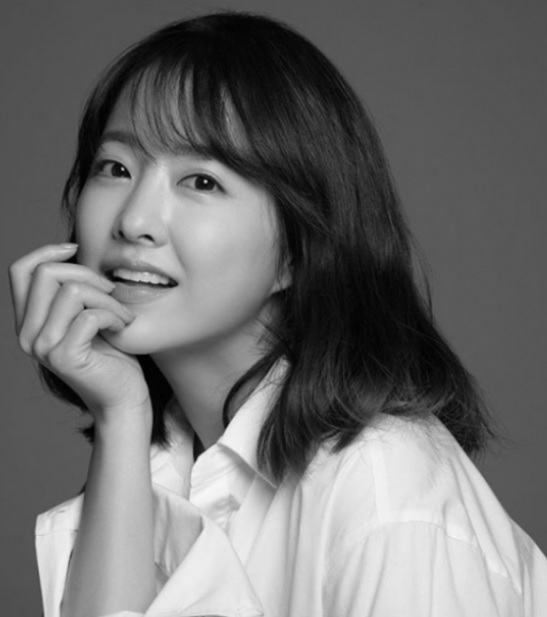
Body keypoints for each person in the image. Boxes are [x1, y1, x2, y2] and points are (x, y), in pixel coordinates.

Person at [9, 11, 547, 617]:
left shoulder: (386, 490)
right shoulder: (160, 461)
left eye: (201, 181)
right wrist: (120, 416)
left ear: (297, 249)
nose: (134, 220)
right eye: (116, 168)